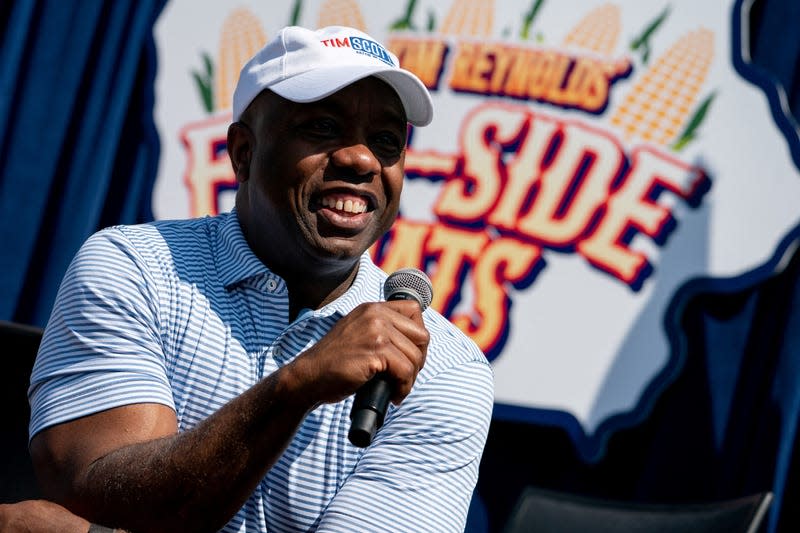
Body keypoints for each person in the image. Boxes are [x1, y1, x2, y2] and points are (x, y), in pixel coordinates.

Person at [27, 25, 494, 533]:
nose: (361, 159)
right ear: (243, 152)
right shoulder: (138, 267)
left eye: (385, 141)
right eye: (321, 127)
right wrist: (296, 387)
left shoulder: (446, 368)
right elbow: (99, 495)